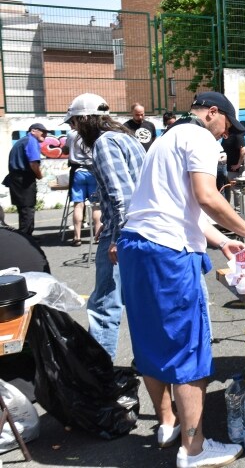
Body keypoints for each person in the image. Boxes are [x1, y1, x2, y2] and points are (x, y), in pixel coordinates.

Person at [117, 92, 245, 467]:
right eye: (227, 127)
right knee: (189, 348)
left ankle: (167, 423)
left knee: (149, 339)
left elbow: (182, 206)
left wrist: (224, 241)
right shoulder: (201, 138)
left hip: (135, 245)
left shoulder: (166, 138)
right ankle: (194, 448)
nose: (226, 136)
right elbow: (207, 197)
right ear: (212, 114)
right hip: (168, 255)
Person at [65, 93, 145, 360]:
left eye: (74, 122)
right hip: (138, 230)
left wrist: (117, 236)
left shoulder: (105, 142)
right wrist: (110, 222)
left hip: (125, 233)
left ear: (85, 119)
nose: (73, 129)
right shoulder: (126, 138)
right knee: (137, 302)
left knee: (103, 306)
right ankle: (145, 361)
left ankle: (100, 374)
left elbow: (123, 194)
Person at [3, 123, 48, 237]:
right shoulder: (31, 140)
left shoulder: (23, 140)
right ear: (33, 131)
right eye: (43, 132)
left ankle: (25, 237)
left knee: (23, 209)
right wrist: (39, 175)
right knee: (27, 209)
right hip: (24, 179)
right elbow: (33, 163)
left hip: (16, 178)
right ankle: (26, 238)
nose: (45, 135)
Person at [64, 130, 102, 246]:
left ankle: (77, 237)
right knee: (96, 205)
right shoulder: (95, 133)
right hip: (93, 171)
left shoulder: (71, 134)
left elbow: (65, 150)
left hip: (78, 170)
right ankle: (98, 236)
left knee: (78, 204)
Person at [221, 128, 245, 211]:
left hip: (234, 167)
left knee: (236, 189)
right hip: (227, 166)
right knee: (227, 188)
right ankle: (227, 208)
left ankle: (238, 210)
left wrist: (238, 164)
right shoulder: (226, 136)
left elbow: (244, 150)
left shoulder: (237, 135)